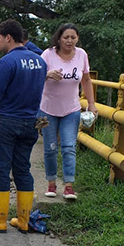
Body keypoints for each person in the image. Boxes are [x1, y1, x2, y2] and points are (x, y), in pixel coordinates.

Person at [0, 19, 47, 234]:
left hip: (5, 121)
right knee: (22, 169)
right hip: (30, 122)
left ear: (8, 37)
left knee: (0, 169)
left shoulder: (7, 62)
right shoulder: (40, 62)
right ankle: (24, 220)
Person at [39, 23, 97, 200]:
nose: (69, 41)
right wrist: (47, 74)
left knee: (69, 147)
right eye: (66, 37)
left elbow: (86, 80)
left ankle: (69, 186)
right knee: (50, 148)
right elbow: (36, 76)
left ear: (77, 39)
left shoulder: (82, 55)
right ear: (58, 38)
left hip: (71, 109)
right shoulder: (47, 54)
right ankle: (51, 183)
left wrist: (91, 104)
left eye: (73, 37)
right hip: (47, 109)